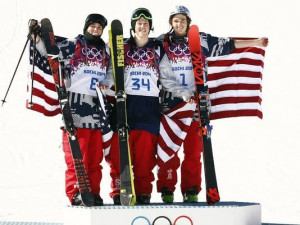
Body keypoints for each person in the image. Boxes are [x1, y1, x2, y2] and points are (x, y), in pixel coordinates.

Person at [157, 5, 268, 203]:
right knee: (170, 149)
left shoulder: (202, 40)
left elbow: (229, 45)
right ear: (170, 22)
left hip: (197, 106)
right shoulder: (161, 43)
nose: (179, 23)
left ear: (188, 22)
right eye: (176, 20)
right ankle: (167, 188)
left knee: (193, 150)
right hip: (171, 105)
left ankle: (190, 189)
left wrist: (256, 42)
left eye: (183, 19)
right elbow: (138, 46)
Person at [29, 14, 114, 206]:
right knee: (77, 153)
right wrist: (37, 39)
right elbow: (51, 53)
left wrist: (107, 83)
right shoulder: (74, 44)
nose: (96, 30)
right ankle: (76, 192)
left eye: (99, 27)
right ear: (86, 27)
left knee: (94, 156)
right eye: (92, 26)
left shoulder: (105, 51)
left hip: (97, 105)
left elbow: (110, 73)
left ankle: (93, 192)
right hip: (75, 103)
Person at [105, 8, 163, 205]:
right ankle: (118, 189)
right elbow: (110, 67)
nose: (142, 26)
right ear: (133, 26)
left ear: (150, 27)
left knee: (145, 155)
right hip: (125, 102)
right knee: (119, 151)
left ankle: (143, 191)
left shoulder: (158, 48)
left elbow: (170, 72)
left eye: (146, 23)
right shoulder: (122, 47)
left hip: (149, 104)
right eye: (139, 23)